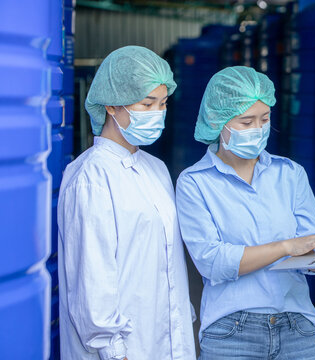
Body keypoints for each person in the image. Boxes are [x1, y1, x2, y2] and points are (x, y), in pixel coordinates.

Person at [175, 66, 315, 359]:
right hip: (231, 334)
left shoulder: (290, 173)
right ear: (218, 121)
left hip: (296, 329)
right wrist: (287, 246)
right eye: (246, 121)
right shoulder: (194, 182)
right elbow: (213, 263)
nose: (258, 129)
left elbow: (310, 256)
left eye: (264, 119)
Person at [57, 46, 196, 360]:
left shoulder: (156, 169)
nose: (157, 113)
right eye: (147, 103)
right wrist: (113, 349)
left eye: (162, 103)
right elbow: (91, 276)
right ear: (110, 105)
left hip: (167, 341)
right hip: (119, 351)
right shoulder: (91, 176)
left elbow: (166, 262)